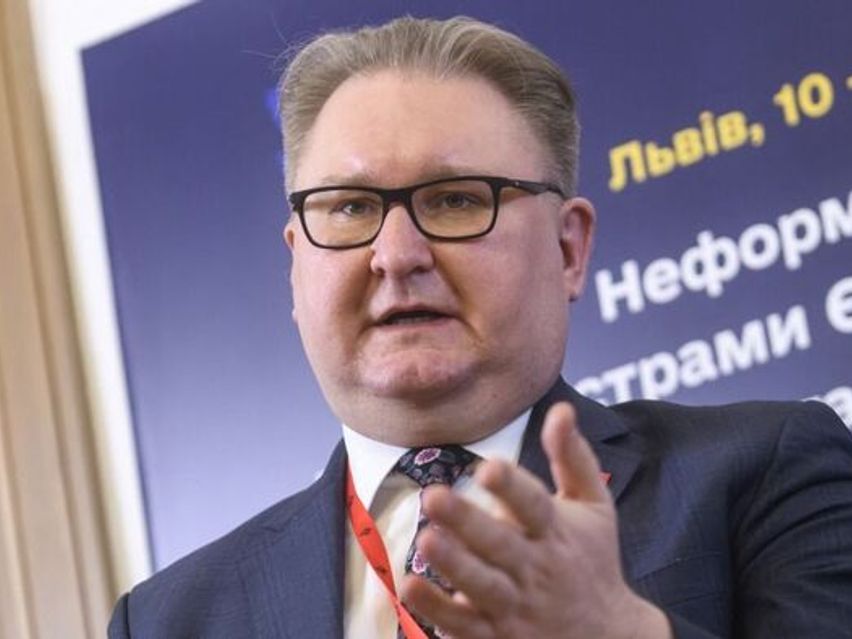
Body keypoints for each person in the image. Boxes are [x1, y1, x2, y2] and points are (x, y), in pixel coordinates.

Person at [108, 15, 852, 639]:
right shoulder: (171, 621)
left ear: (568, 249)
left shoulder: (766, 470)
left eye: (456, 200)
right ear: (295, 262)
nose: (396, 255)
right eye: (350, 208)